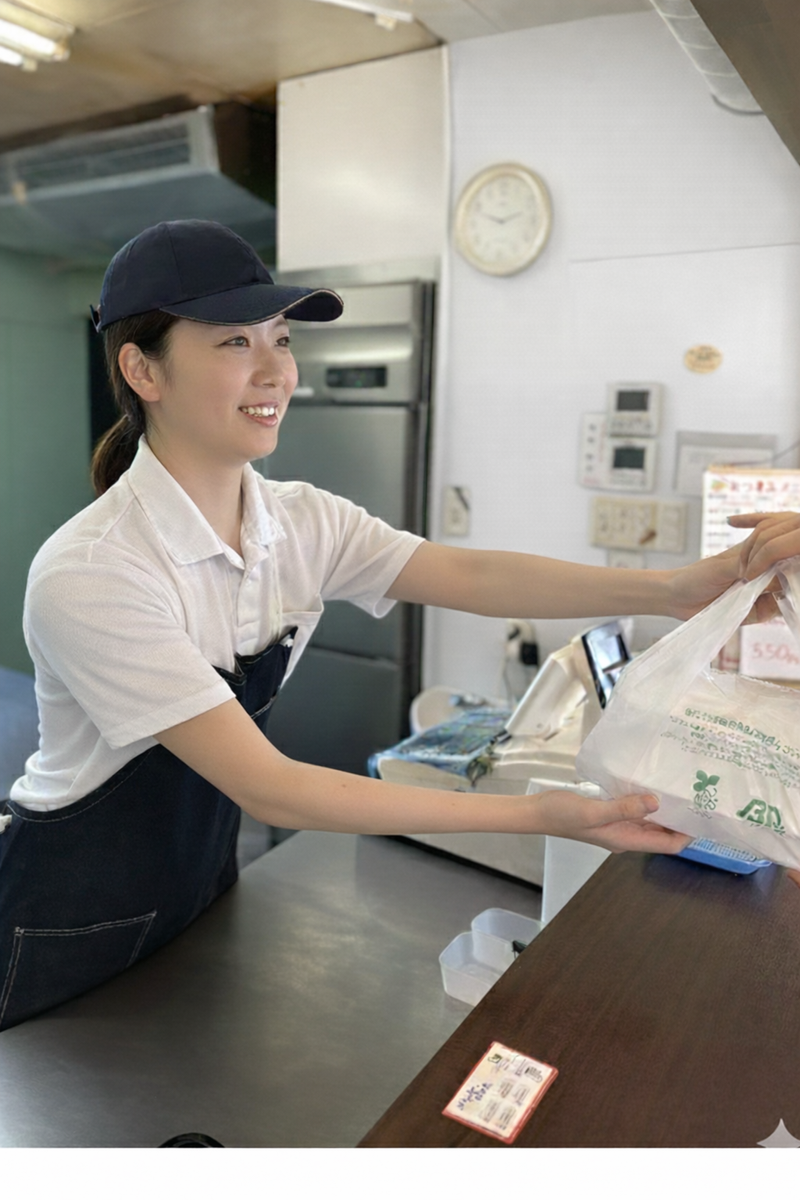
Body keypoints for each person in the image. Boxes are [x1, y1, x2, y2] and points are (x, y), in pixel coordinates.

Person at [0, 220, 792, 1032]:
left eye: (281, 338)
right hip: (59, 921)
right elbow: (271, 788)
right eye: (235, 341)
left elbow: (471, 576)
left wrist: (673, 590)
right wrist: (540, 814)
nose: (277, 371)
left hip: (197, 890)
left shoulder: (299, 521)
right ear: (142, 370)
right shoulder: (95, 572)